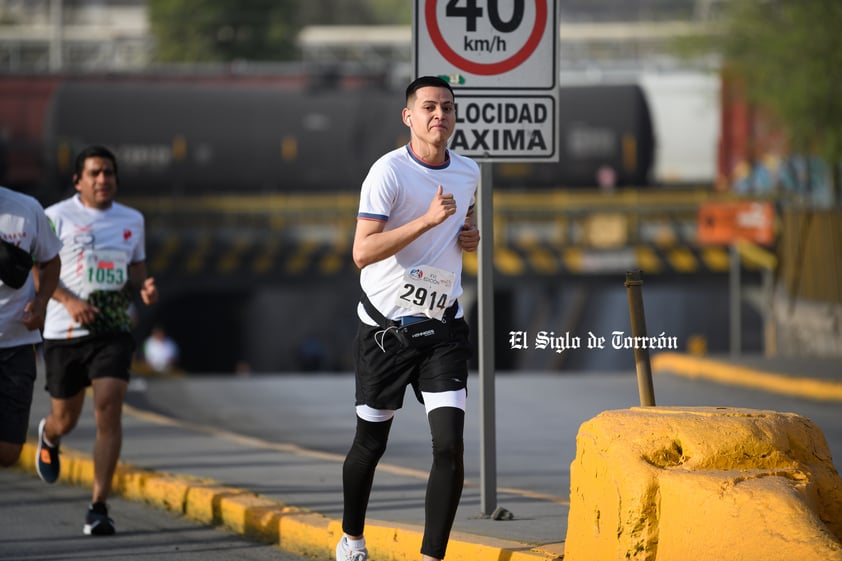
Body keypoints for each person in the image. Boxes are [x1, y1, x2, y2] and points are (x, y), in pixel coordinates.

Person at [336, 76, 481, 561]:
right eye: (429, 108)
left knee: (448, 447)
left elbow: (464, 221)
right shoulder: (388, 173)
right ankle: (352, 539)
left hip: (442, 328)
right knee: (370, 444)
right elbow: (361, 252)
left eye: (447, 107)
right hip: (386, 333)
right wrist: (425, 221)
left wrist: (468, 235)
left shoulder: (467, 172)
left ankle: (431, 556)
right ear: (409, 117)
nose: (439, 115)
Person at [35, 145, 158, 536]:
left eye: (108, 173)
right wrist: (68, 301)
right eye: (94, 173)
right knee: (66, 419)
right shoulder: (54, 217)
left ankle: (98, 506)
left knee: (109, 407)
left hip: (113, 329)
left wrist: (145, 286)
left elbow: (136, 265)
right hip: (64, 331)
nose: (103, 179)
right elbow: (40, 275)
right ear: (78, 181)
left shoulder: (132, 220)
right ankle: (49, 435)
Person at [0, 187, 61, 468]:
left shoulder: (27, 208)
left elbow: (50, 261)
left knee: (10, 451)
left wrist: (42, 302)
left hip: (16, 344)